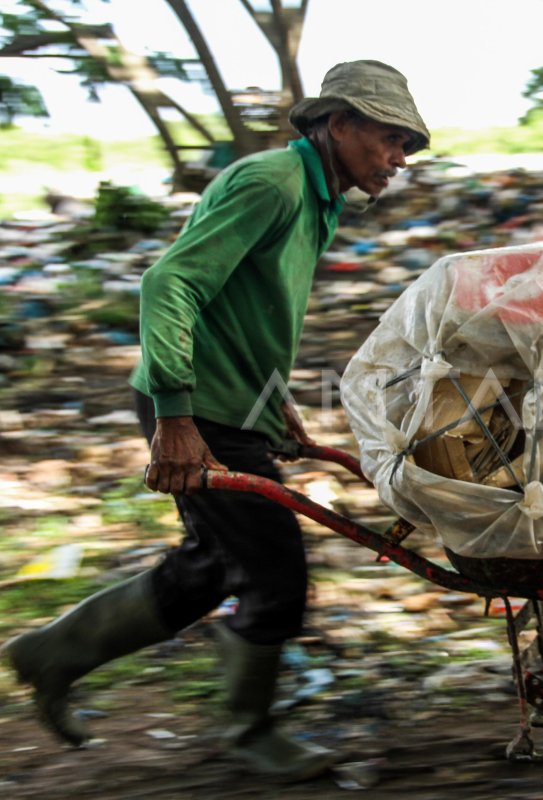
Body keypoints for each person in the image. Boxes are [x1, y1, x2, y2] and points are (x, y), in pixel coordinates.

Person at [1, 60, 429, 781]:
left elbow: (247, 309)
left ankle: (50, 655)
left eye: (407, 149)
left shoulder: (320, 198)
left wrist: (277, 402)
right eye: (389, 139)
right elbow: (170, 285)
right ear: (339, 122)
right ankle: (249, 729)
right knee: (275, 570)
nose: (397, 160)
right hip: (195, 408)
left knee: (210, 567)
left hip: (234, 404)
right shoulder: (272, 183)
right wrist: (174, 418)